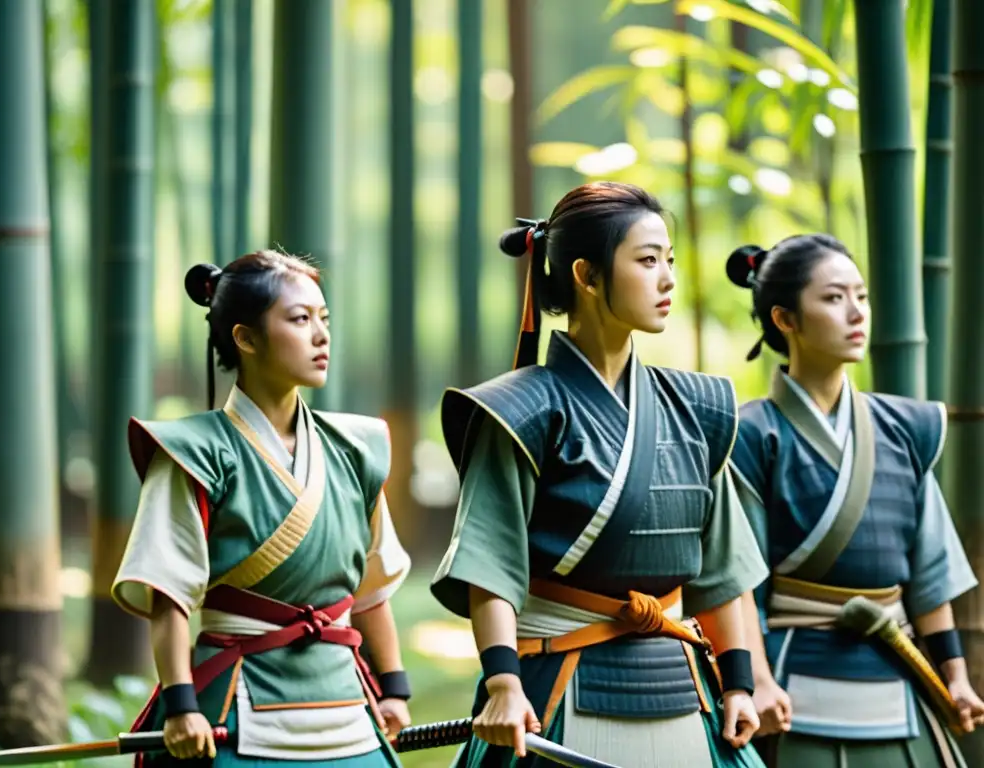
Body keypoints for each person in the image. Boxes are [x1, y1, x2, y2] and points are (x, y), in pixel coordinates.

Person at [430, 181, 769, 767]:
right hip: (557, 684)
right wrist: (503, 684)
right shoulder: (518, 412)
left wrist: (738, 681)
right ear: (586, 276)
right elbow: (491, 562)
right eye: (646, 260)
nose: (667, 278)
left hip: (684, 686)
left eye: (668, 260)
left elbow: (721, 565)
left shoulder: (700, 407)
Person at [110, 250, 413, 767]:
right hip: (236, 704)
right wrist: (182, 706)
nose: (322, 336)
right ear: (245, 339)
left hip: (346, 706)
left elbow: (371, 586)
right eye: (300, 319)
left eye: (324, 319)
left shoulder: (356, 447)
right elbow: (169, 596)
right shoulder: (193, 453)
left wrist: (395, 688)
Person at [725, 234, 984, 768]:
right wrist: (758, 683)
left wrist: (954, 676)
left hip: (899, 673)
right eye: (834, 297)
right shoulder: (751, 435)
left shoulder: (904, 427)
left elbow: (928, 567)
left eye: (861, 297)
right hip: (793, 684)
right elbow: (739, 580)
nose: (856, 312)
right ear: (785, 319)